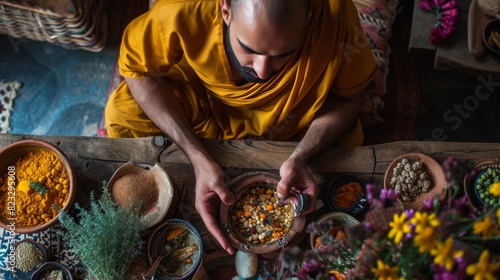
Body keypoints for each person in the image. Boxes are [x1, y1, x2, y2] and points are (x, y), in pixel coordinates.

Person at [105, 0, 376, 255]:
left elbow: (349, 97)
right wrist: (197, 156)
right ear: (225, 10)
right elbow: (136, 70)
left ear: (307, 21)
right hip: (204, 100)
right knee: (123, 111)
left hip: (294, 117)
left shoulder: (333, 14)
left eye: (283, 55)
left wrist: (302, 156)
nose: (262, 71)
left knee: (347, 150)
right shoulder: (185, 8)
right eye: (249, 49)